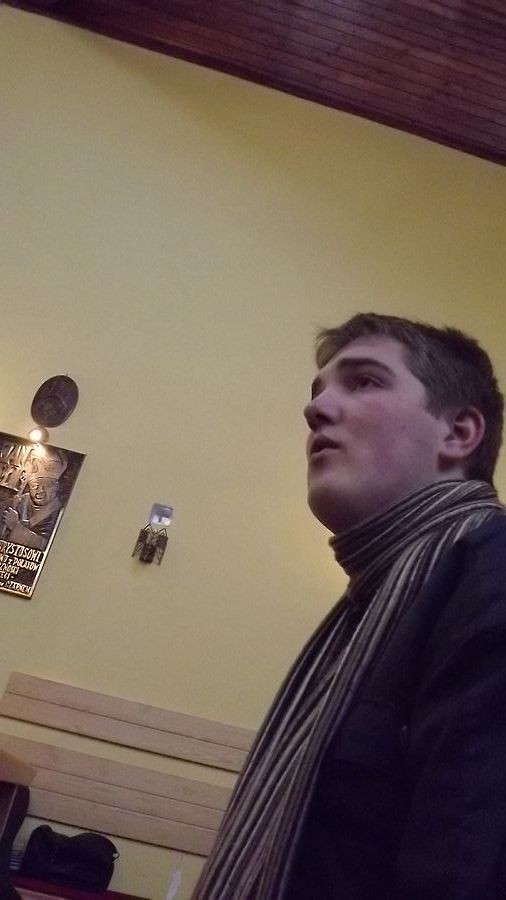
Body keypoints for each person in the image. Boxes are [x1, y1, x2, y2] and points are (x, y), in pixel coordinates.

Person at [194, 312, 506, 899]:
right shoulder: (375, 604)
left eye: (364, 381)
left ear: (459, 433)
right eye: (318, 391)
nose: (315, 409)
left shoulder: (490, 576)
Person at [0, 447, 67, 550]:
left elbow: (50, 547)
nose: (40, 490)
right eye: (35, 485)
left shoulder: (60, 512)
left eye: (47, 485)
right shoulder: (12, 503)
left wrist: (16, 526)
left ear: (56, 487)